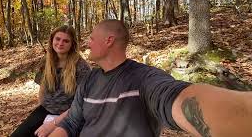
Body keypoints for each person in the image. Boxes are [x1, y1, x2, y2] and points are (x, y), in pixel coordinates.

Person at [48, 19, 252, 137]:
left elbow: (175, 98)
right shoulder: (90, 80)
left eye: (92, 38)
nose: (88, 43)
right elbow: (71, 123)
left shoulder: (144, 79)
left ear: (109, 40)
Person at [11, 25, 91, 137]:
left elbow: (81, 103)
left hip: (69, 115)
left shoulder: (81, 67)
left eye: (66, 41)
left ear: (72, 44)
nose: (60, 43)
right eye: (58, 39)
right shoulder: (46, 61)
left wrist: (53, 123)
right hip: (45, 109)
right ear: (52, 39)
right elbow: (42, 88)